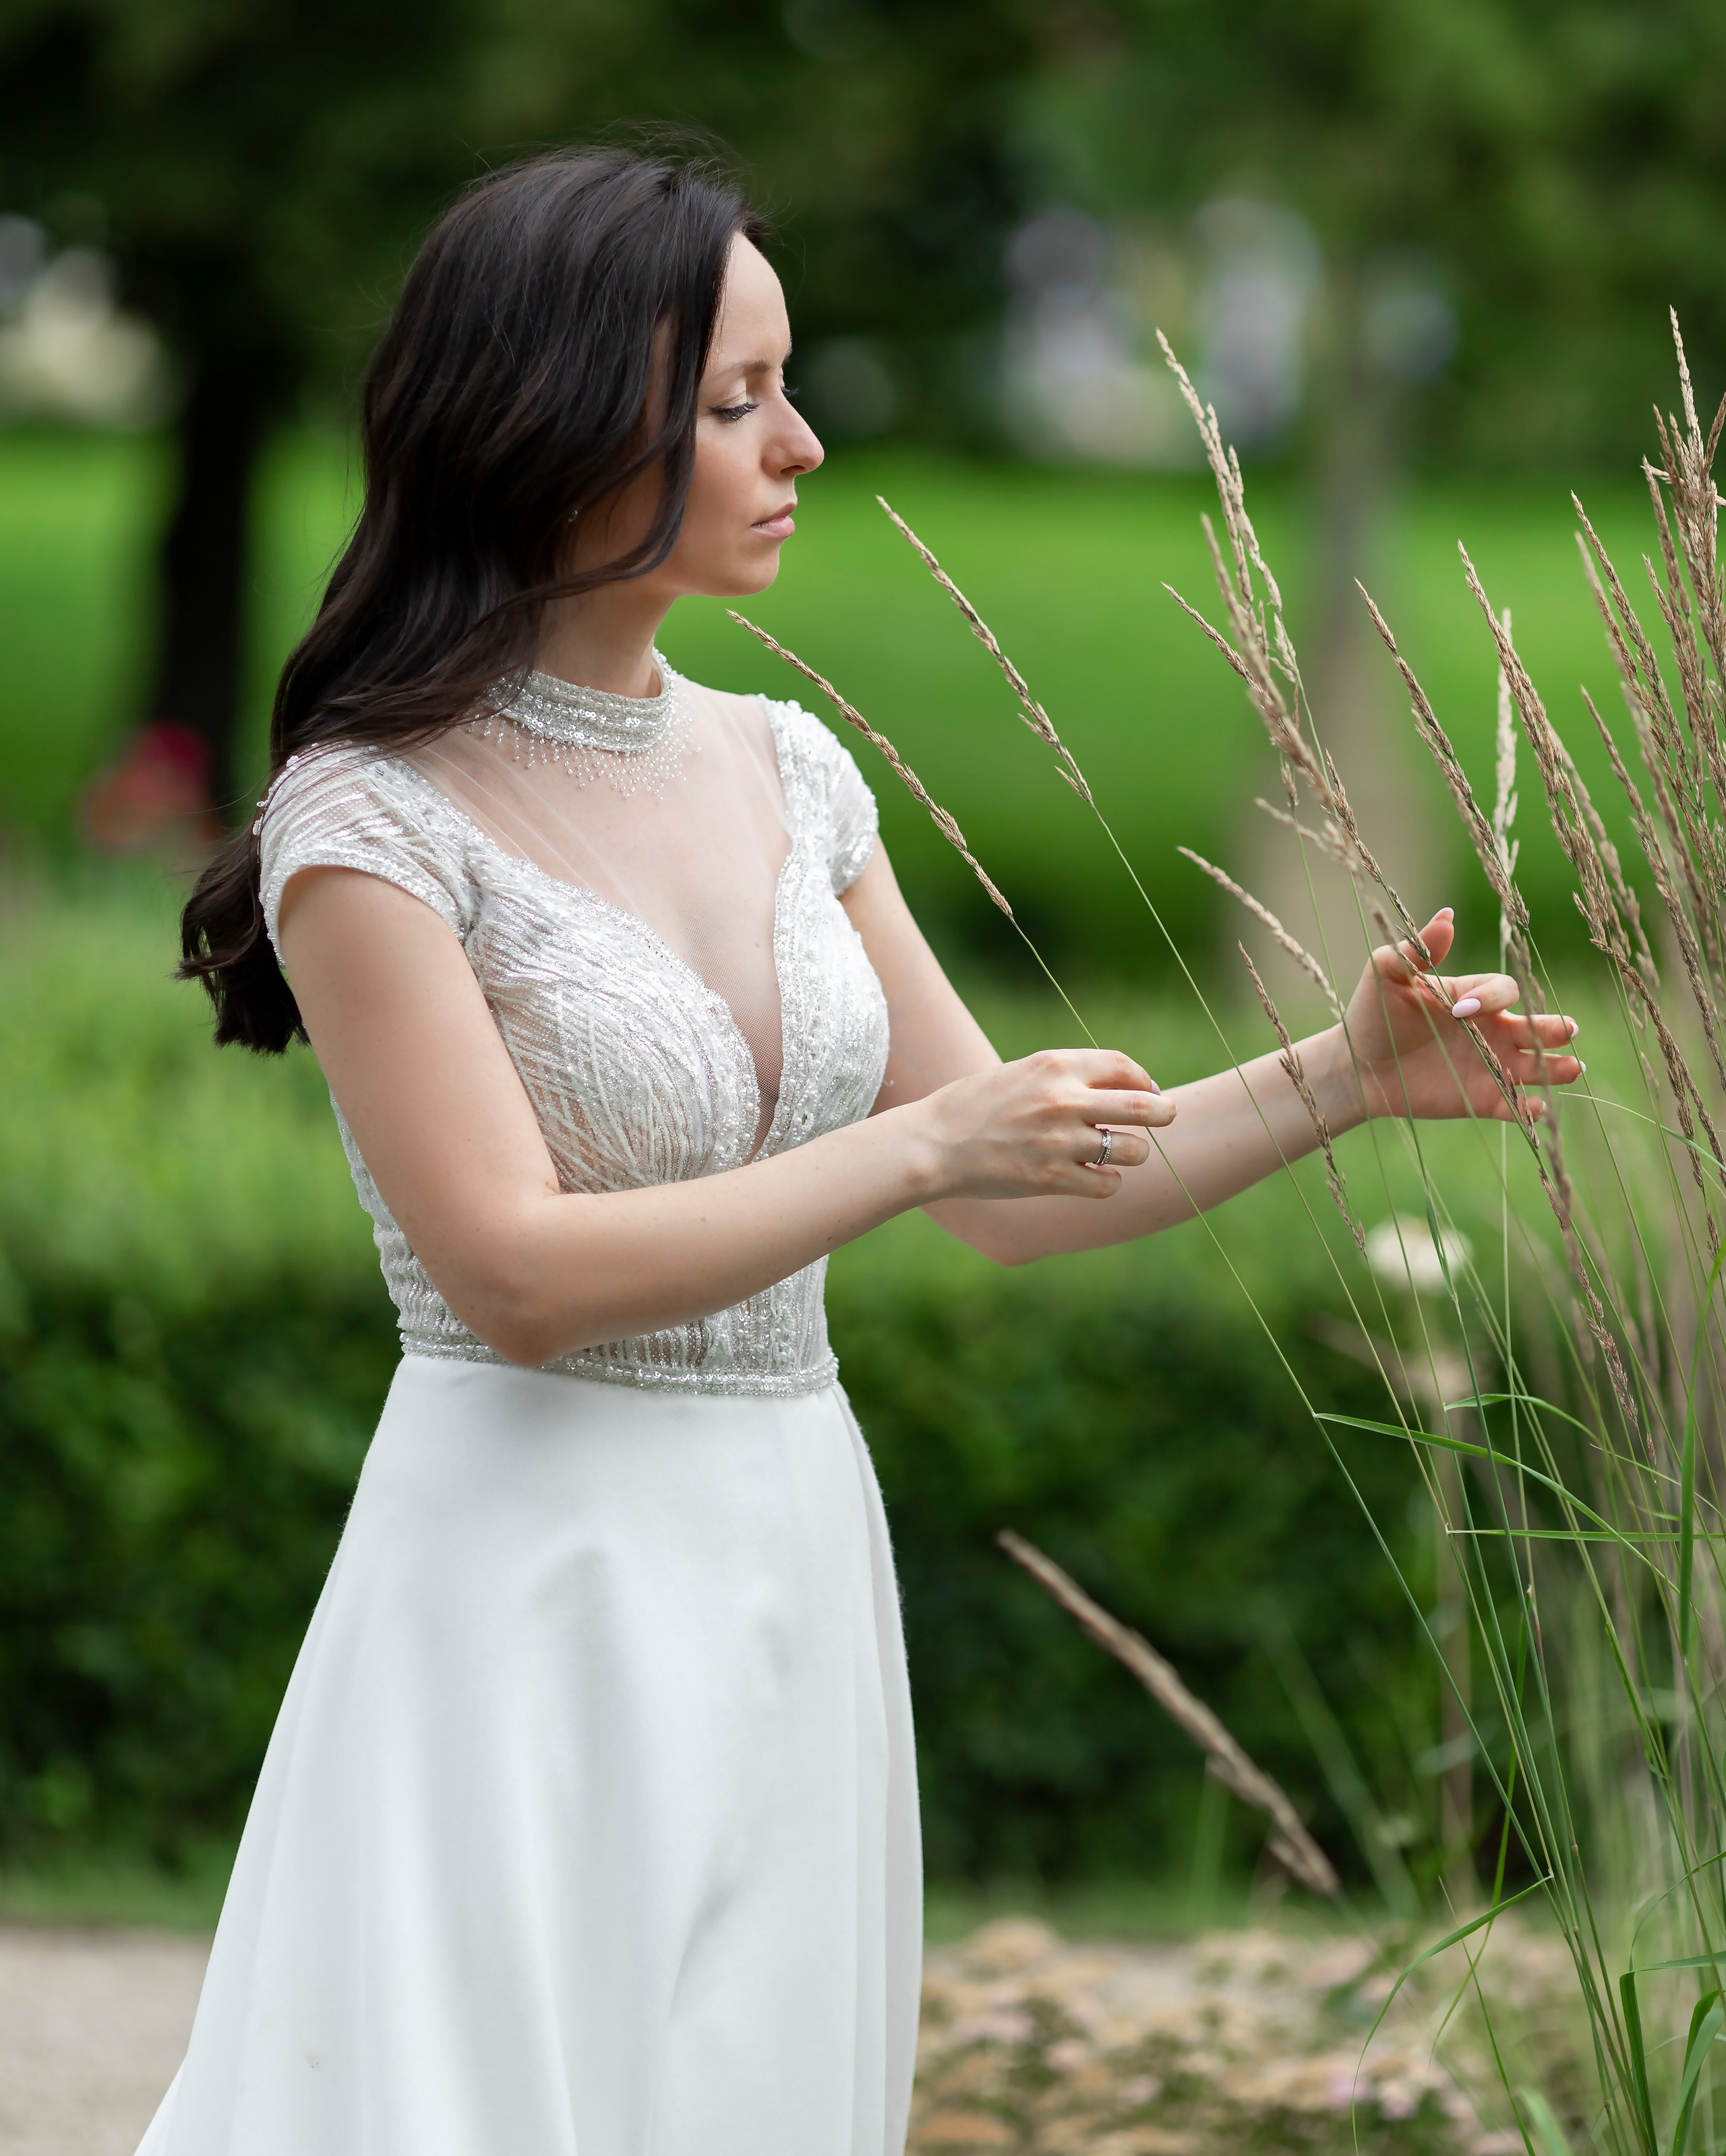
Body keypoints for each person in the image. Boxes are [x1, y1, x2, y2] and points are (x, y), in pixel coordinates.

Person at [152, 145, 1579, 2155]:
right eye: (735, 400)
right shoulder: (371, 819)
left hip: (789, 1560)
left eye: (785, 385)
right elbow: (516, 1275)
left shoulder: (792, 769)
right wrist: (919, 1147)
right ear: (556, 418)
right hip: (524, 1587)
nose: (800, 443)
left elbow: (1023, 1190)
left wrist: (1340, 1076)